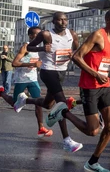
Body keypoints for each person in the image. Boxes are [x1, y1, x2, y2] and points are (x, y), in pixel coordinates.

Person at [46, 10, 110, 172]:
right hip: (89, 86)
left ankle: (93, 162)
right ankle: (63, 112)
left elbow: (105, 63)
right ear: (108, 20)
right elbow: (77, 56)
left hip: (104, 86)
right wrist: (94, 74)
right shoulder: (98, 35)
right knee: (93, 131)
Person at [21, 12, 81, 152]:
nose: (63, 22)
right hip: (48, 71)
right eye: (59, 20)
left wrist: (74, 55)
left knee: (48, 104)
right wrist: (42, 48)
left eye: (65, 19)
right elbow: (29, 47)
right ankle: (67, 140)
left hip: (61, 71)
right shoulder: (46, 34)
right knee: (61, 103)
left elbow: (77, 49)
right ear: (53, 21)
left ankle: (25, 100)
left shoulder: (72, 34)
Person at [0, 27, 52, 137]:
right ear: (31, 36)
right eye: (37, 35)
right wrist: (32, 65)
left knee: (38, 102)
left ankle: (41, 128)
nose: (40, 37)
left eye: (41, 34)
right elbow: (14, 63)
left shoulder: (40, 48)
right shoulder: (26, 47)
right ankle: (1, 92)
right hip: (21, 79)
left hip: (33, 79)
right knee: (14, 104)